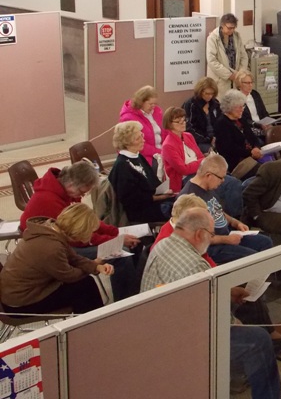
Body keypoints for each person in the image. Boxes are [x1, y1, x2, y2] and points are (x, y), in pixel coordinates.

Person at [141, 208, 281, 399]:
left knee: (247, 315)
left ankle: (233, 377)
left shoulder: (163, 243)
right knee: (259, 340)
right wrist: (235, 321)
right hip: (177, 339)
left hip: (156, 326)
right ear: (200, 234)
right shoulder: (194, 264)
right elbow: (213, 316)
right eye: (211, 234)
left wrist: (227, 292)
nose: (212, 238)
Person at [19, 161, 140, 300]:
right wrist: (115, 240)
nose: (82, 196)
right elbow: (80, 237)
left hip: (67, 239)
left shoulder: (67, 191)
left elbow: (88, 221)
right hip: (59, 245)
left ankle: (136, 289)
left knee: (132, 243)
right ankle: (126, 301)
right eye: (82, 192)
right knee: (120, 253)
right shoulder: (49, 200)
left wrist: (116, 232)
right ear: (71, 184)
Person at [1, 203, 113, 316]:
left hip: (17, 291)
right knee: (84, 288)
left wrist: (96, 266)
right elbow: (70, 276)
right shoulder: (52, 248)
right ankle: (92, 322)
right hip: (19, 302)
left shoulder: (50, 229)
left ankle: (93, 320)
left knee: (84, 285)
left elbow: (73, 258)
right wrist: (92, 267)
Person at [180, 155, 274, 264]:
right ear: (209, 175)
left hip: (226, 235)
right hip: (212, 248)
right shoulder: (189, 199)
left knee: (265, 242)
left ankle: (266, 274)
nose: (223, 181)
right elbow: (197, 237)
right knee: (253, 258)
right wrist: (227, 239)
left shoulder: (207, 186)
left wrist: (234, 222)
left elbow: (217, 210)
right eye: (221, 178)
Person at [108, 121, 175, 223]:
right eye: (138, 138)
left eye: (142, 136)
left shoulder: (138, 156)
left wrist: (165, 192)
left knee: (186, 200)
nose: (143, 140)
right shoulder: (122, 167)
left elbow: (153, 182)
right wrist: (161, 197)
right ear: (127, 143)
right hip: (142, 212)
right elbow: (133, 201)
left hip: (155, 201)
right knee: (184, 210)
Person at [214, 89, 264, 179]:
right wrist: (250, 153)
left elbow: (253, 137)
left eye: (243, 106)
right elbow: (230, 148)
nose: (242, 109)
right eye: (239, 107)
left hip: (250, 157)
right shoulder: (222, 123)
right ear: (229, 107)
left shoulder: (241, 119)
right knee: (264, 172)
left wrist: (256, 147)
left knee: (271, 165)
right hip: (236, 163)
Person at [161, 106, 204, 193]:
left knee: (225, 178)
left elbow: (201, 156)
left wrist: (202, 162)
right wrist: (202, 162)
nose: (183, 123)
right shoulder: (168, 145)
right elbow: (183, 170)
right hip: (183, 180)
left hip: (198, 172)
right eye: (179, 122)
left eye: (184, 120)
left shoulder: (189, 136)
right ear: (169, 124)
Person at [119, 85, 163, 166]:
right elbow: (136, 145)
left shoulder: (156, 111)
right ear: (141, 102)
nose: (153, 106)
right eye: (150, 104)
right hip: (144, 156)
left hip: (160, 150)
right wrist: (160, 152)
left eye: (155, 104)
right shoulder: (128, 118)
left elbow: (164, 132)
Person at [206, 13, 248, 94]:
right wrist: (229, 75)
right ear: (222, 25)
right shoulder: (212, 38)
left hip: (236, 78)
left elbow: (244, 56)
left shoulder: (237, 36)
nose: (231, 30)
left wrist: (241, 73)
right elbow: (212, 61)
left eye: (233, 28)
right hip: (220, 80)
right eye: (229, 28)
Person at [183, 77, 222, 153]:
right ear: (200, 92)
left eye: (212, 94)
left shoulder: (215, 103)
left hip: (215, 138)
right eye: (207, 93)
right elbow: (189, 129)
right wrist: (208, 139)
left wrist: (217, 137)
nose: (210, 96)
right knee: (212, 153)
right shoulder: (191, 105)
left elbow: (220, 123)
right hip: (199, 141)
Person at [234, 70, 271, 143]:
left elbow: (264, 112)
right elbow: (242, 119)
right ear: (240, 84)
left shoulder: (255, 94)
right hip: (249, 128)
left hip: (262, 125)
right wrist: (258, 125)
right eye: (247, 83)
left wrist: (268, 122)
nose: (250, 85)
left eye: (251, 82)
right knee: (261, 142)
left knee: (277, 136)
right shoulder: (236, 98)